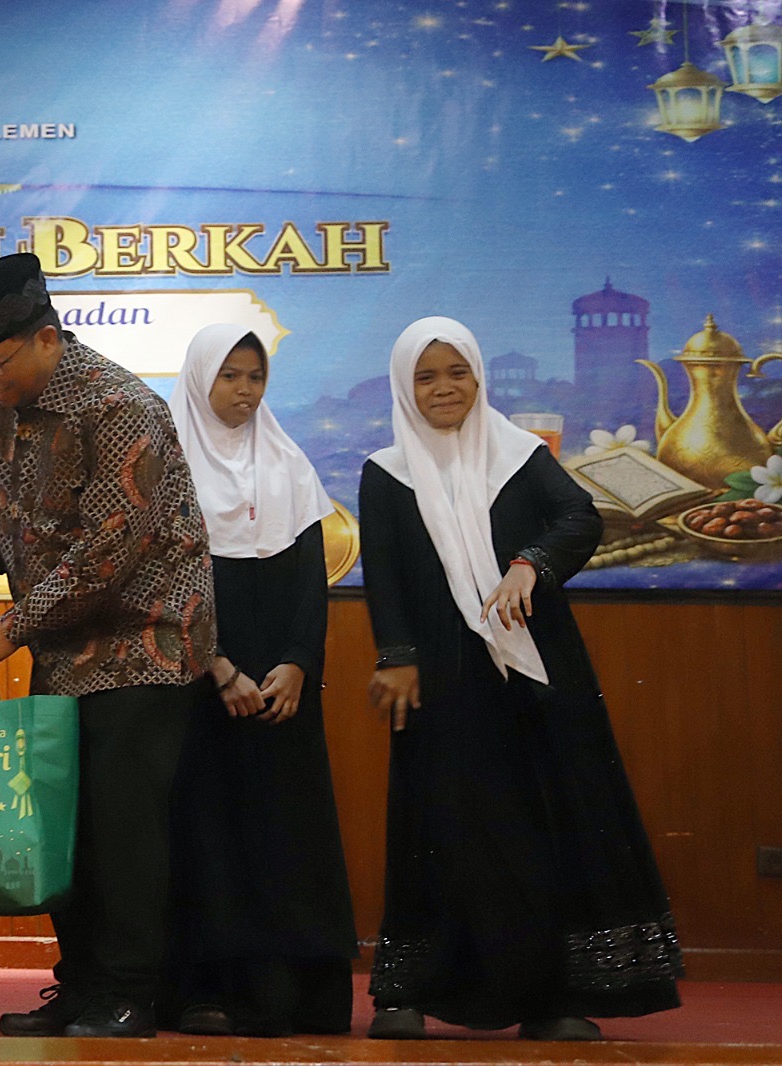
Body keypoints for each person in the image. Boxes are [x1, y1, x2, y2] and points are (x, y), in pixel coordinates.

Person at [360, 316, 681, 1041]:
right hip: (441, 673)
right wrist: (397, 656)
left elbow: (580, 516)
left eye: (457, 373)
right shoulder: (388, 471)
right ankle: (411, 990)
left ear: (479, 377)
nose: (444, 389)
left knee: (544, 820)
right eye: (426, 376)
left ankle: (553, 997)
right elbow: (383, 573)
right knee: (440, 823)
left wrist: (529, 563)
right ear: (405, 387)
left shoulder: (519, 453)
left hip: (534, 666)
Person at [0, 253, 217, 1038]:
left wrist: (7, 631)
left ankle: (131, 992)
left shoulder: (120, 406)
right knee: (69, 822)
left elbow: (106, 551)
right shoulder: (3, 409)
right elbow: (10, 508)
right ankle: (84, 986)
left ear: (48, 339)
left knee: (124, 826)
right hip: (67, 645)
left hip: (144, 639)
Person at [163, 324, 357, 1036]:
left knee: (288, 832)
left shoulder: (288, 463)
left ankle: (296, 994)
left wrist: (301, 662)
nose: (244, 393)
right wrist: (218, 667)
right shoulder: (168, 464)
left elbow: (311, 577)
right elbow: (164, 580)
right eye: (229, 377)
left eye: (255, 378)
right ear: (199, 378)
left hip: (282, 690)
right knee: (209, 832)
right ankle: (209, 990)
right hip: (200, 684)